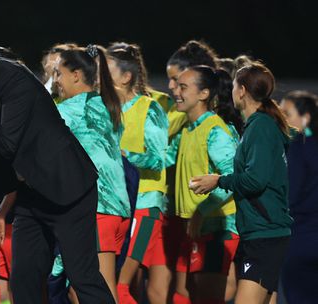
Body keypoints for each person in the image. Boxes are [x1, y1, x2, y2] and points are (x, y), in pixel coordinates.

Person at [0, 25, 114, 304]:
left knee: (83, 278)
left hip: (68, 188)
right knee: (24, 280)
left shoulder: (13, 79)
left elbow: (7, 145)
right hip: (31, 194)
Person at [190, 63, 293, 304]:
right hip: (262, 232)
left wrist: (218, 181)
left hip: (265, 234)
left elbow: (255, 180)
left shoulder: (261, 126)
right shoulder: (259, 125)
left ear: (242, 90)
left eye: (235, 85)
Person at [54, 44, 131, 302]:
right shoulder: (107, 104)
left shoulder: (67, 111)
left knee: (100, 288)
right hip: (116, 208)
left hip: (98, 207)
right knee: (78, 288)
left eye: (58, 74)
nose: (55, 81)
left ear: (76, 75)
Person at [167, 66, 242, 304]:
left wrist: (202, 210)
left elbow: (235, 177)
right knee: (184, 294)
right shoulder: (188, 128)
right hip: (194, 224)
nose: (175, 91)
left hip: (217, 225)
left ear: (204, 94)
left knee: (208, 298)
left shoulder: (215, 130)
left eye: (183, 87)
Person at [104, 42, 170, 304]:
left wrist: (123, 155)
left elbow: (158, 158)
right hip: (119, 204)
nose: (101, 78)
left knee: (119, 286)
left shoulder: (149, 108)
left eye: (107, 71)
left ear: (126, 76)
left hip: (144, 204)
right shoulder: (107, 109)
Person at [279, 91, 318, 303]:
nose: (282, 118)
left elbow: (290, 195)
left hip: (302, 237)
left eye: (287, 113)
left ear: (306, 117)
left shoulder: (299, 148)